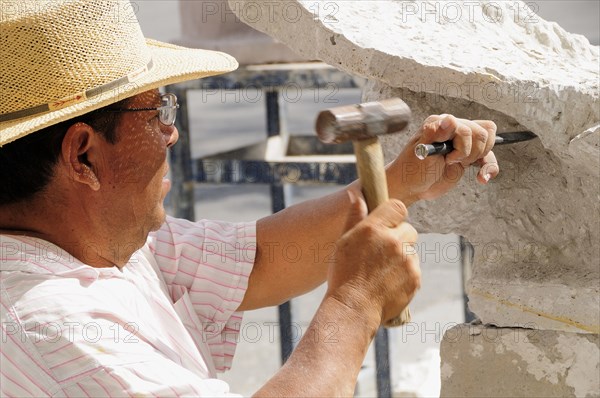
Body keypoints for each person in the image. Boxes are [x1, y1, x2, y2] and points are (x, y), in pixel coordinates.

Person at [0, 1, 499, 396]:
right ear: (83, 156)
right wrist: (354, 305)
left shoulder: (98, 242)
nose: (172, 135)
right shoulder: (49, 326)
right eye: (157, 114)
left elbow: (260, 259)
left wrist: (404, 179)